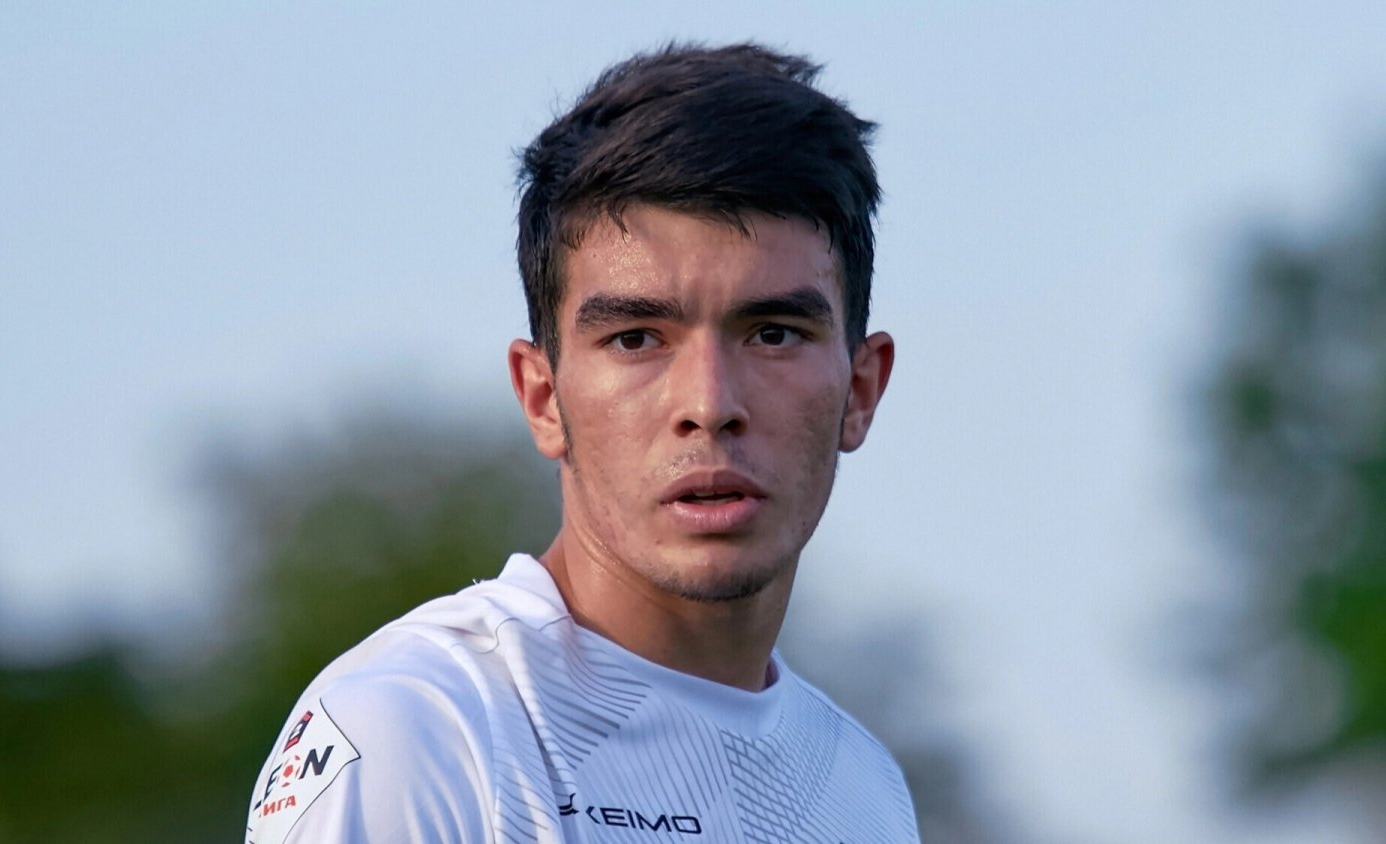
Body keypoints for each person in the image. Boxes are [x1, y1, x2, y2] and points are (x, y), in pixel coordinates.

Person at [245, 42, 915, 843]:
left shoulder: (866, 788)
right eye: (636, 338)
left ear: (861, 391)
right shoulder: (421, 729)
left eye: (773, 333)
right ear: (542, 397)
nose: (709, 405)